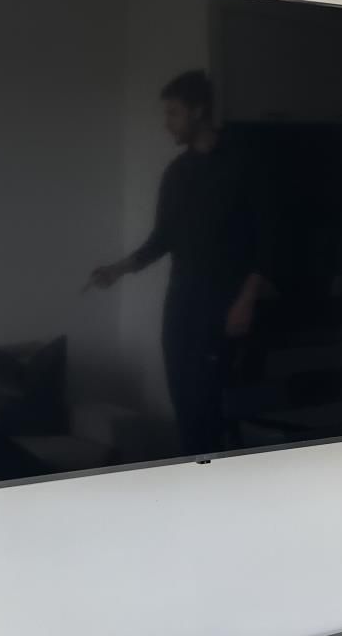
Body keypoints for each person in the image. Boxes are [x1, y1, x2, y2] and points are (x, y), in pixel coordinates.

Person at [88, 70, 274, 456]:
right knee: (184, 402)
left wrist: (246, 299)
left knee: (210, 405)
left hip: (224, 305)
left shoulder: (243, 163)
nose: (166, 123)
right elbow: (161, 240)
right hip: (182, 304)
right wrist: (115, 270)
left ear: (198, 111)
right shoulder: (176, 174)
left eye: (173, 113)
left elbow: (267, 237)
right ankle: (192, 482)